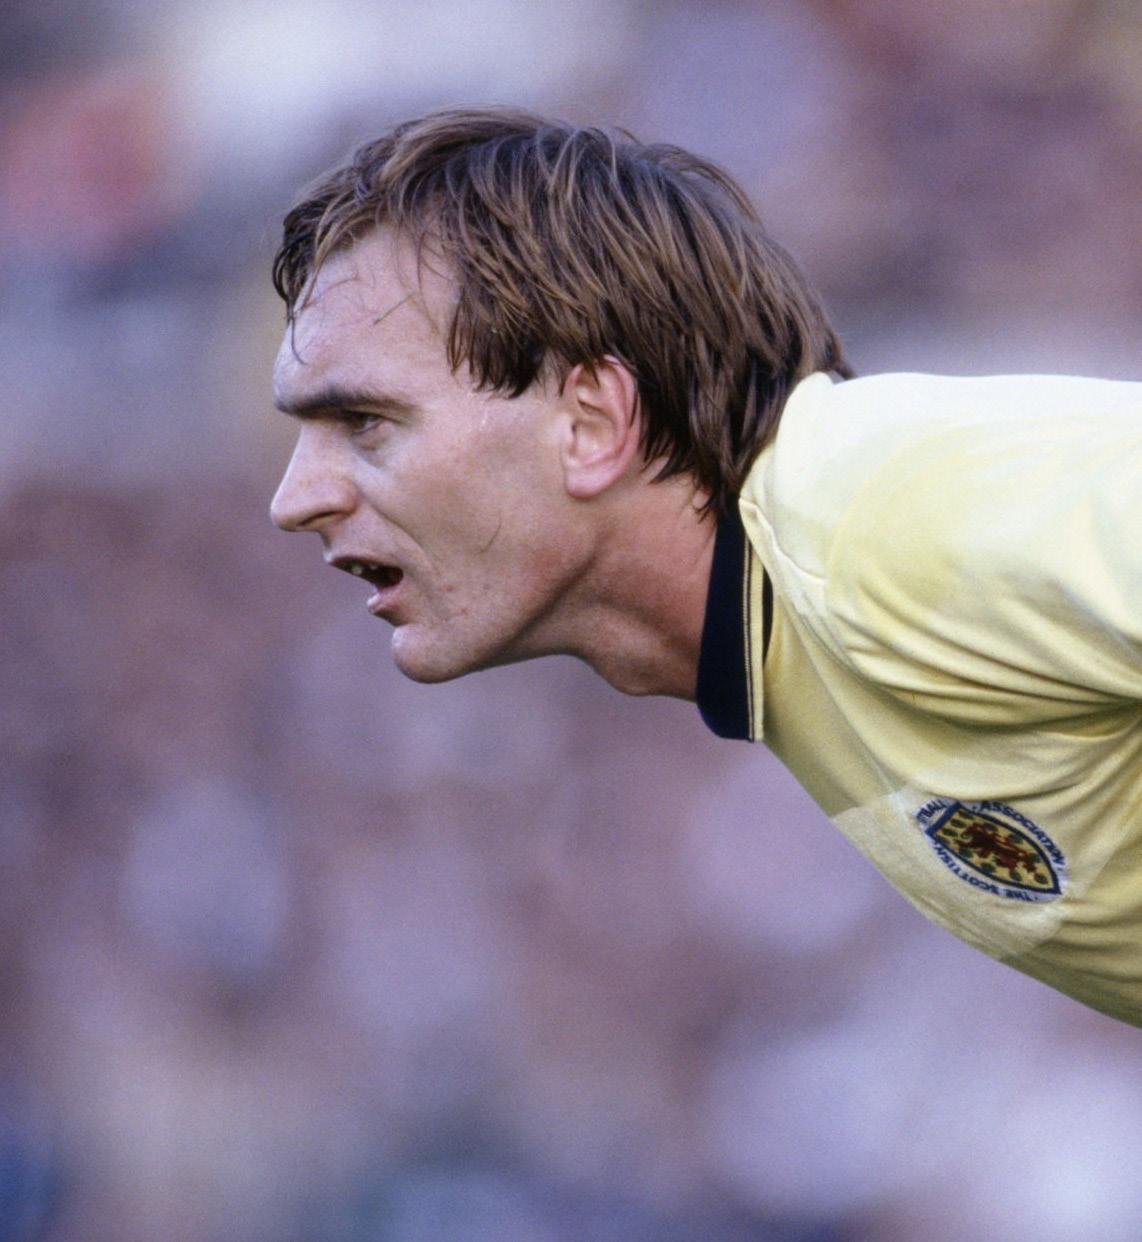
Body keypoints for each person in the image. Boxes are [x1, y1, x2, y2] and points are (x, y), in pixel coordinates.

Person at [269, 107, 1142, 1026]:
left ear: (591, 423)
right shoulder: (800, 616)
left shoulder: (875, 518)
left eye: (365, 422)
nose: (294, 499)